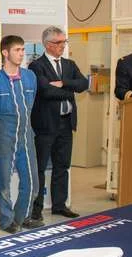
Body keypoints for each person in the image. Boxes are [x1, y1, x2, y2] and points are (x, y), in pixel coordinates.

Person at [29, 26, 89, 221]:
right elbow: (45, 91)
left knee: (62, 166)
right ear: (48, 44)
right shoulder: (36, 66)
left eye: (64, 42)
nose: (63, 46)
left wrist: (63, 84)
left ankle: (59, 205)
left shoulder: (69, 64)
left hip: (66, 123)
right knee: (39, 167)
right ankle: (35, 208)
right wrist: (69, 89)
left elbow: (83, 84)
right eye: (59, 42)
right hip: (46, 125)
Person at [0, 35, 39, 234]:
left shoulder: (30, 77)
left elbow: (31, 103)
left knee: (32, 181)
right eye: (17, 50)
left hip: (26, 134)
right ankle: (6, 220)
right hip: (3, 135)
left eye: (22, 50)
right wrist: (2, 130)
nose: (21, 54)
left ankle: (21, 216)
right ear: (5, 52)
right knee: (3, 181)